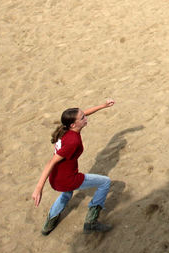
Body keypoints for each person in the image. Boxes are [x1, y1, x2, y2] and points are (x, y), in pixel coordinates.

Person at [32, 99, 117, 235]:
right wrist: (38, 188)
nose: (85, 118)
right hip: (67, 179)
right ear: (73, 124)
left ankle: (49, 224)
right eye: (82, 118)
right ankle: (91, 221)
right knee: (105, 182)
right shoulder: (73, 141)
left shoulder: (66, 129)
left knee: (67, 193)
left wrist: (103, 105)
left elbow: (84, 113)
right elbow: (51, 162)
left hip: (56, 178)